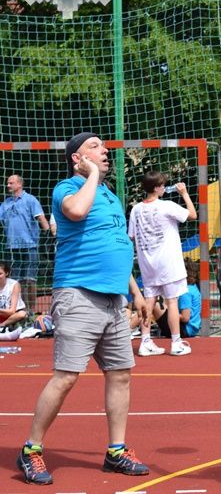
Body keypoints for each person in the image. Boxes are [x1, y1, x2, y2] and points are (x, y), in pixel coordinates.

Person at [17, 132, 149, 486]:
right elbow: (75, 212)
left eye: (103, 146)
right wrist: (91, 175)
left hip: (113, 299)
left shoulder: (109, 195)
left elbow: (117, 244)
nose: (104, 150)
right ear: (77, 158)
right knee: (67, 376)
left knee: (121, 373)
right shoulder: (67, 188)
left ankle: (116, 450)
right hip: (78, 294)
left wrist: (134, 290)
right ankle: (31, 450)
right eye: (95, 146)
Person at [128, 170, 197, 357]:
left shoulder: (136, 209)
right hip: (168, 262)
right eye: (162, 185)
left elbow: (132, 236)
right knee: (172, 301)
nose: (164, 187)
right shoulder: (167, 205)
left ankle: (145, 340)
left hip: (147, 262)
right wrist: (184, 193)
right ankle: (176, 342)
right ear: (157, 187)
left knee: (149, 301)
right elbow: (192, 215)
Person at [0, 174, 49, 308]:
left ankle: (31, 312)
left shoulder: (30, 200)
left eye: (11, 183)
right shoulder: (5, 204)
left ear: (20, 184)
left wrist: (49, 234)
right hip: (11, 247)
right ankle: (18, 310)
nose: (8, 185)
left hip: (29, 245)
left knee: (30, 280)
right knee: (14, 281)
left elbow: (42, 219)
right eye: (8, 183)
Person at [152, 259, 202, 339]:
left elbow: (185, 318)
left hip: (184, 330)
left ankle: (132, 328)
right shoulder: (193, 287)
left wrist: (170, 311)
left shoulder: (185, 292)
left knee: (154, 304)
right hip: (191, 329)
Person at [0, 261, 27, 331]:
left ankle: (2, 325)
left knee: (22, 314)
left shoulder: (13, 285)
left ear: (6, 273)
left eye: (0, 274)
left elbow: (12, 311)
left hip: (12, 316)